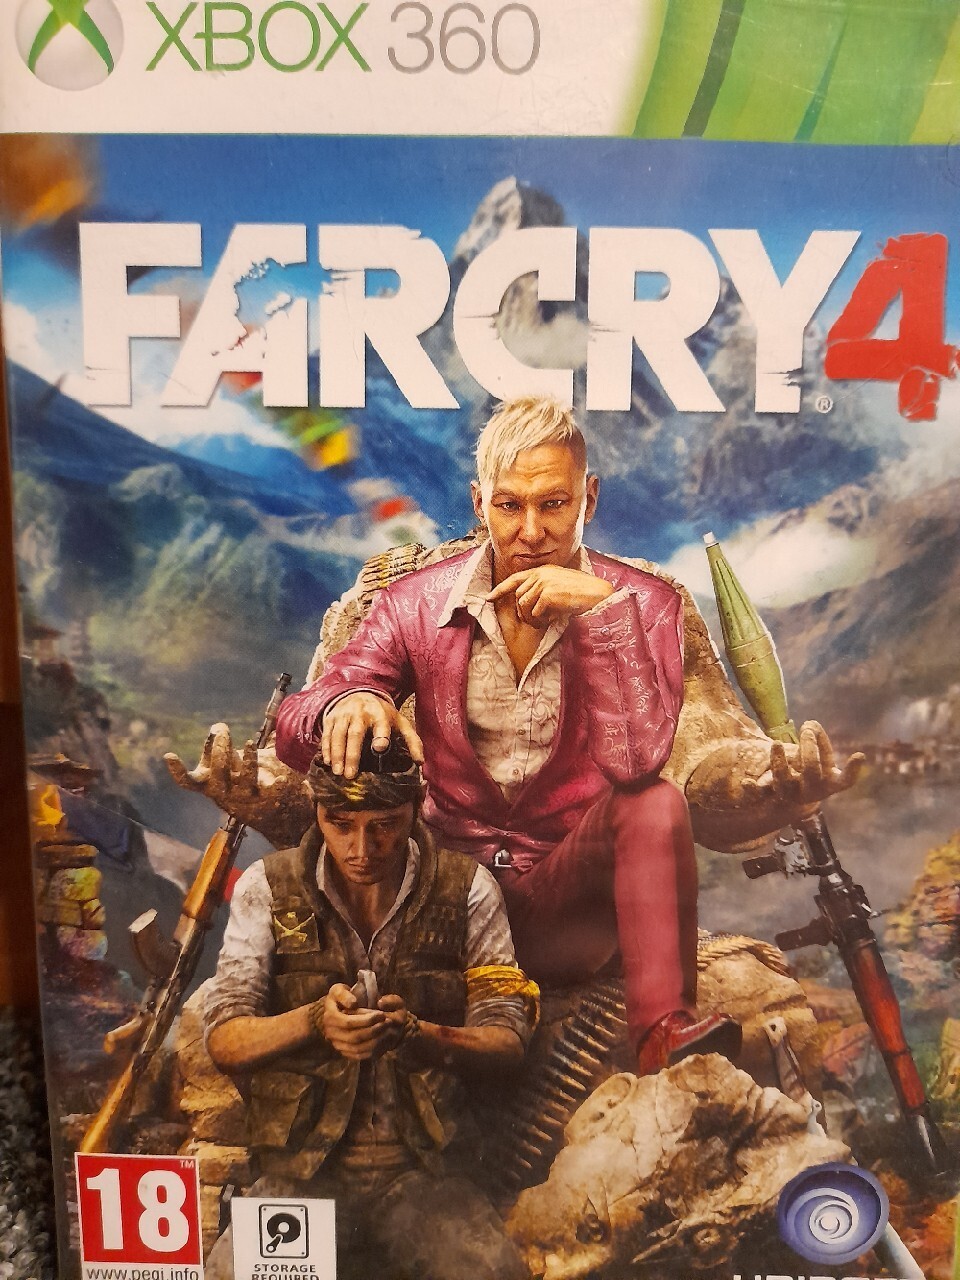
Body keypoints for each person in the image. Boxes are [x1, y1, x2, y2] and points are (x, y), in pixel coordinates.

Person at [269, 396, 862, 1075]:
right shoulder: (414, 603)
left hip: (570, 916)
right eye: (509, 506)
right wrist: (346, 700)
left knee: (654, 803)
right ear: (479, 503)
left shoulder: (648, 605)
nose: (531, 531)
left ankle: (665, 1030)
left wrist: (604, 617)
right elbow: (294, 728)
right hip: (439, 909)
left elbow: (636, 762)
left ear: (590, 498)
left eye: (554, 504)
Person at [202, 733, 536, 1280]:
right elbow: (225, 1038)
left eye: (384, 825)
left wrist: (420, 1035)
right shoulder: (269, 887)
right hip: (301, 1174)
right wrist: (314, 1021)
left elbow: (508, 1041)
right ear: (317, 811)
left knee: (490, 1273)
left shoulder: (467, 889)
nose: (362, 848)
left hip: (425, 1176)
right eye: (341, 824)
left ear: (415, 809)